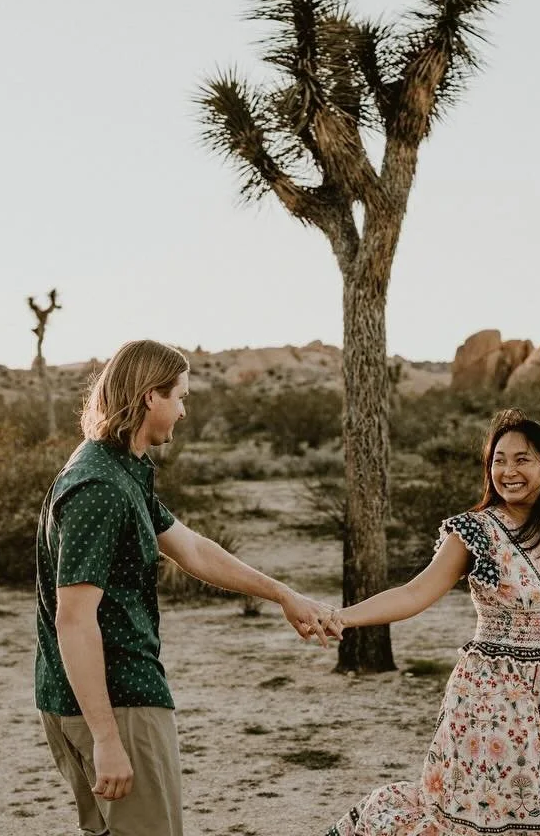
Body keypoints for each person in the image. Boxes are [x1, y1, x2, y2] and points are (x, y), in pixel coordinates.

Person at [35, 339, 334, 836]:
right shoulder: (100, 486)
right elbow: (74, 618)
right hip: (117, 700)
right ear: (151, 397)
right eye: (180, 397)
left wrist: (283, 594)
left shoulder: (119, 467)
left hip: (91, 697)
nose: (183, 411)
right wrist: (108, 738)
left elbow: (192, 549)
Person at [324, 409, 540, 835]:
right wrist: (342, 617)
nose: (507, 471)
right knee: (493, 812)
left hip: (535, 693)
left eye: (522, 459)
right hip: (488, 694)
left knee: (530, 804)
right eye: (498, 460)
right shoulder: (476, 532)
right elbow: (414, 593)